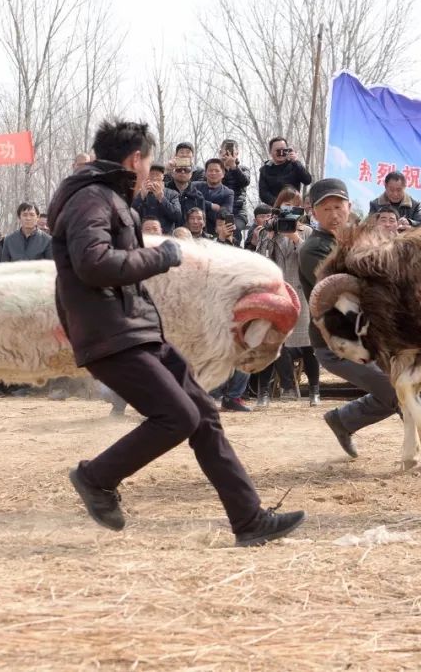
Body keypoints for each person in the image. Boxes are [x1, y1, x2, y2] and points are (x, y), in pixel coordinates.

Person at [46, 118, 303, 545]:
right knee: (178, 416)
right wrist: (161, 257)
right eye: (149, 161)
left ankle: (249, 519)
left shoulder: (107, 197)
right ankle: (96, 477)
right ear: (134, 159)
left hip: (135, 327)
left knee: (202, 415)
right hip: (109, 333)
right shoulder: (91, 199)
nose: (151, 170)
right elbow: (94, 265)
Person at [299, 178, 421, 471]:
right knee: (401, 391)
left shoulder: (357, 240)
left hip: (372, 335)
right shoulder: (315, 249)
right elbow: (347, 293)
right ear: (314, 213)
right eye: (325, 208)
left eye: (338, 206)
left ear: (350, 207)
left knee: (398, 389)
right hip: (339, 343)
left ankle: (343, 420)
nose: (334, 213)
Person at [256, 189, 319, 407]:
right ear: (278, 207)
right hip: (276, 293)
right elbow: (260, 261)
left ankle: (314, 391)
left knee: (308, 345)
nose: (288, 209)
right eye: (285, 204)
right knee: (270, 343)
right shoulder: (268, 231)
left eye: (293, 205)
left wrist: (296, 238)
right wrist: (269, 237)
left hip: (300, 294)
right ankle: (263, 393)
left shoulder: (308, 232)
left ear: (300, 209)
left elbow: (312, 262)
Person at [258, 137, 312, 206]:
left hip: (294, 207)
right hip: (274, 208)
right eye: (277, 150)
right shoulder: (265, 170)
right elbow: (263, 194)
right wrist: (279, 204)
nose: (281, 153)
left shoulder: (294, 165)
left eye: (283, 150)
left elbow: (307, 180)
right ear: (270, 152)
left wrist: (296, 162)